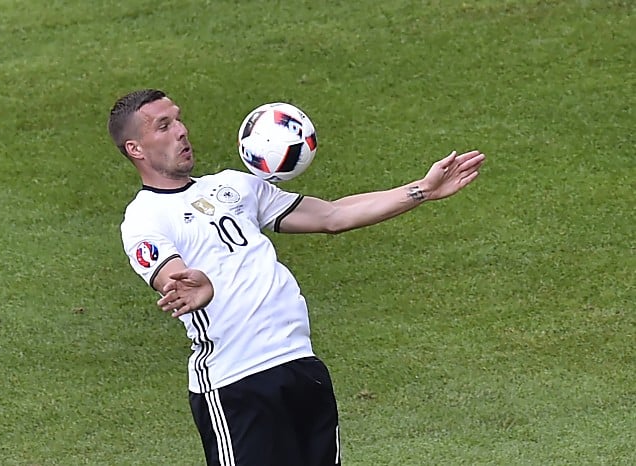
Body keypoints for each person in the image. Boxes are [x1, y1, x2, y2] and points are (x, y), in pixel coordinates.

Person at [107, 88, 485, 466]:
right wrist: (196, 285)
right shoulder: (144, 218)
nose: (182, 131)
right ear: (135, 149)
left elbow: (333, 216)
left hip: (301, 366)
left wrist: (421, 189)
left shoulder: (235, 186)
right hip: (237, 382)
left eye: (178, 119)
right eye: (164, 126)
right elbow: (172, 277)